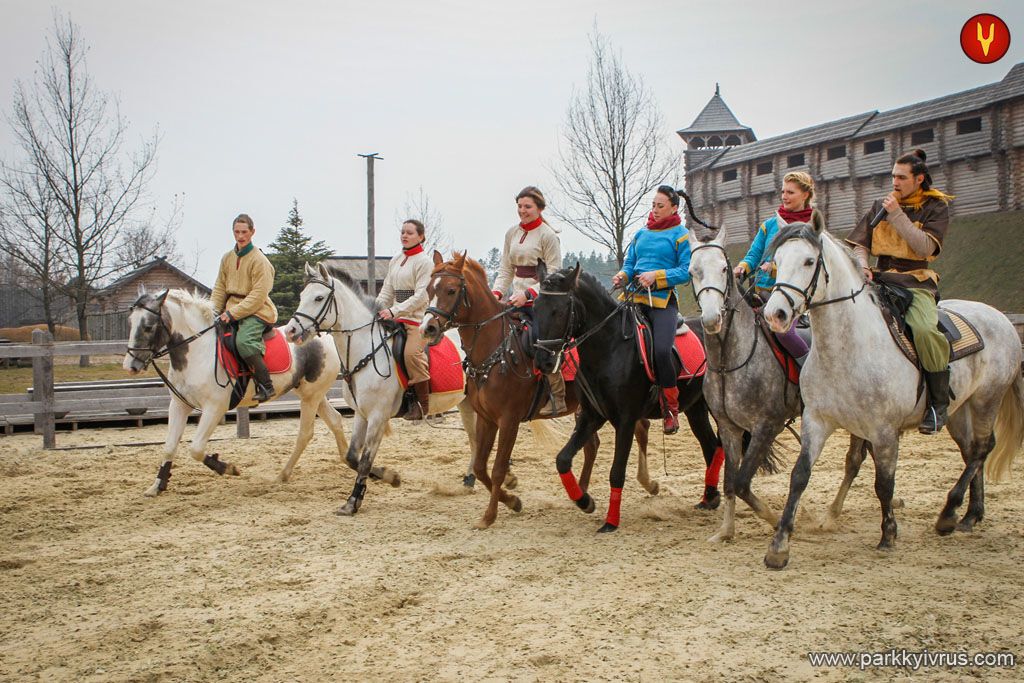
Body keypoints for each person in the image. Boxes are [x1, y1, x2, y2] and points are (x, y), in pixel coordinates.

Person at [846, 148, 954, 434]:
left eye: (902, 177)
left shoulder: (936, 207)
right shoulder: (879, 206)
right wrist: (861, 266)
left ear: (919, 179)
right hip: (879, 279)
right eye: (893, 176)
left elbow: (925, 247)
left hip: (915, 281)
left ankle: (938, 404)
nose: (895, 182)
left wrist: (896, 216)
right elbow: (861, 244)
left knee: (924, 331)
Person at [612, 185, 692, 434]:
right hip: (633, 298)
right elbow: (630, 263)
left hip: (662, 302)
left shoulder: (681, 234)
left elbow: (684, 272)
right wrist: (623, 275)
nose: (655, 210)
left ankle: (670, 409)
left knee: (660, 350)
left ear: (673, 208)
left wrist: (656, 276)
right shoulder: (640, 234)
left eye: (660, 206)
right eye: (653, 205)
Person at [492, 185, 566, 416]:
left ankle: (558, 395)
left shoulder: (548, 235)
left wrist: (528, 294)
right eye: (520, 206)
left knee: (540, 340)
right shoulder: (511, 233)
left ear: (539, 208)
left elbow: (554, 273)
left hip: (541, 302)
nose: (522, 211)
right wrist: (495, 294)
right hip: (514, 300)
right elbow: (505, 270)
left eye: (528, 207)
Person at [733, 171, 815, 364]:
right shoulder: (769, 225)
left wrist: (775, 268)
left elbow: (809, 265)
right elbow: (754, 255)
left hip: (796, 299)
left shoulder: (812, 227)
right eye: (783, 191)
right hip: (761, 294)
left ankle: (809, 373)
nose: (784, 196)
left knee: (785, 334)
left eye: (790, 192)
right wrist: (742, 267)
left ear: (805, 195)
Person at [211, 213, 278, 402]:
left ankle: (266, 385)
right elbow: (219, 288)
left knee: (244, 342)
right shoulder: (227, 258)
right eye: (236, 232)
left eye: (244, 232)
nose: (240, 236)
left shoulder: (260, 261)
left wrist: (232, 313)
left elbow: (258, 296)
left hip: (257, 310)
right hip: (231, 310)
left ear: (252, 232)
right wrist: (212, 311)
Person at [377, 219, 433, 421]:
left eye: (409, 232)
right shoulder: (395, 260)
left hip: (416, 319)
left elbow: (421, 297)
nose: (404, 235)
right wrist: (376, 308)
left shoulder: (425, 262)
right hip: (396, 316)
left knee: (411, 354)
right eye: (402, 232)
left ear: (421, 237)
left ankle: (422, 405)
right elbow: (386, 291)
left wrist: (395, 311)